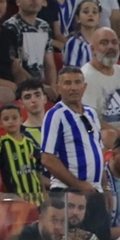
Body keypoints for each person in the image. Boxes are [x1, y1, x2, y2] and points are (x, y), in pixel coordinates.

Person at [40, 66, 105, 198]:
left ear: (84, 86)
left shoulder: (91, 113)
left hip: (95, 191)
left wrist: (105, 188)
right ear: (58, 88)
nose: (73, 88)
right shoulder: (55, 115)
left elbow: (99, 152)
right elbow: (47, 158)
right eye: (67, 83)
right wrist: (77, 185)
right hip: (67, 192)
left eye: (77, 82)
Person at [0, 103, 45, 204]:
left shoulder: (30, 143)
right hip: (15, 197)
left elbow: (37, 169)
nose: (11, 122)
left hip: (37, 196)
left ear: (21, 120)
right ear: (0, 123)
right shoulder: (2, 143)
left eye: (14, 118)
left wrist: (43, 192)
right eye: (6, 119)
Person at [81, 27, 120, 142]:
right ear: (93, 49)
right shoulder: (86, 76)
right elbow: (90, 118)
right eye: (104, 43)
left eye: (114, 42)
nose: (110, 47)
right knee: (109, 136)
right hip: (103, 139)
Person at [5, 0, 57, 93]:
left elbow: (49, 64)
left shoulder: (44, 26)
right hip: (20, 89)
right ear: (18, 1)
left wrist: (53, 87)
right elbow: (16, 67)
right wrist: (41, 87)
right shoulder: (11, 27)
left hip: (40, 88)